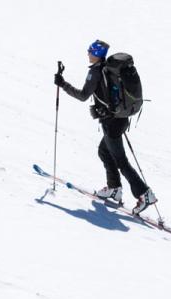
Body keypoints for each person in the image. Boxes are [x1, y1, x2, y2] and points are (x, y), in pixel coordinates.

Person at [54, 39, 157, 213]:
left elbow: (82, 95)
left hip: (112, 122)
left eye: (90, 51)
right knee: (104, 151)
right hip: (120, 119)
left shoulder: (96, 72)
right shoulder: (108, 69)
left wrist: (62, 84)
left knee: (121, 161)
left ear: (96, 54)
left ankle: (145, 193)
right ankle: (114, 188)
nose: (88, 53)